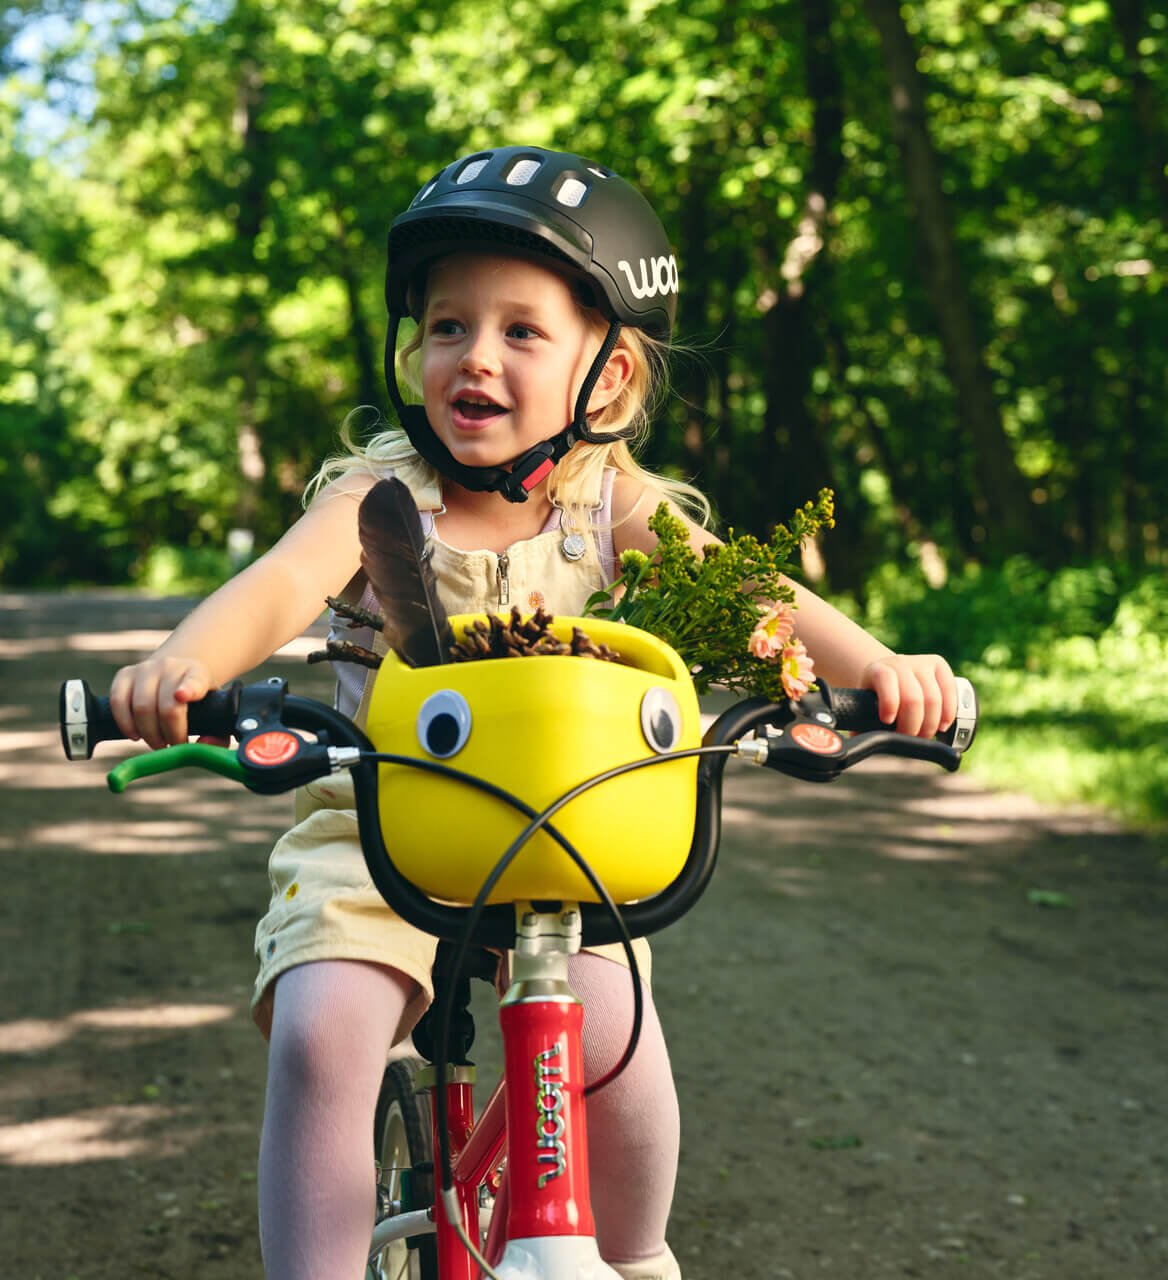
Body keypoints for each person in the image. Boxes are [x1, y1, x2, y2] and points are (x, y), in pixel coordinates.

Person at [109, 145, 959, 1280]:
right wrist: (183, 663)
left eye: (521, 331)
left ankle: (633, 1251)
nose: (474, 355)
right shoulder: (379, 503)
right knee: (325, 1032)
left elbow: (759, 601)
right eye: (448, 324)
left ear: (604, 378)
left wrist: (885, 669)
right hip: (384, 835)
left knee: (615, 1051)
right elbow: (270, 590)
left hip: (572, 846)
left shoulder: (610, 508)